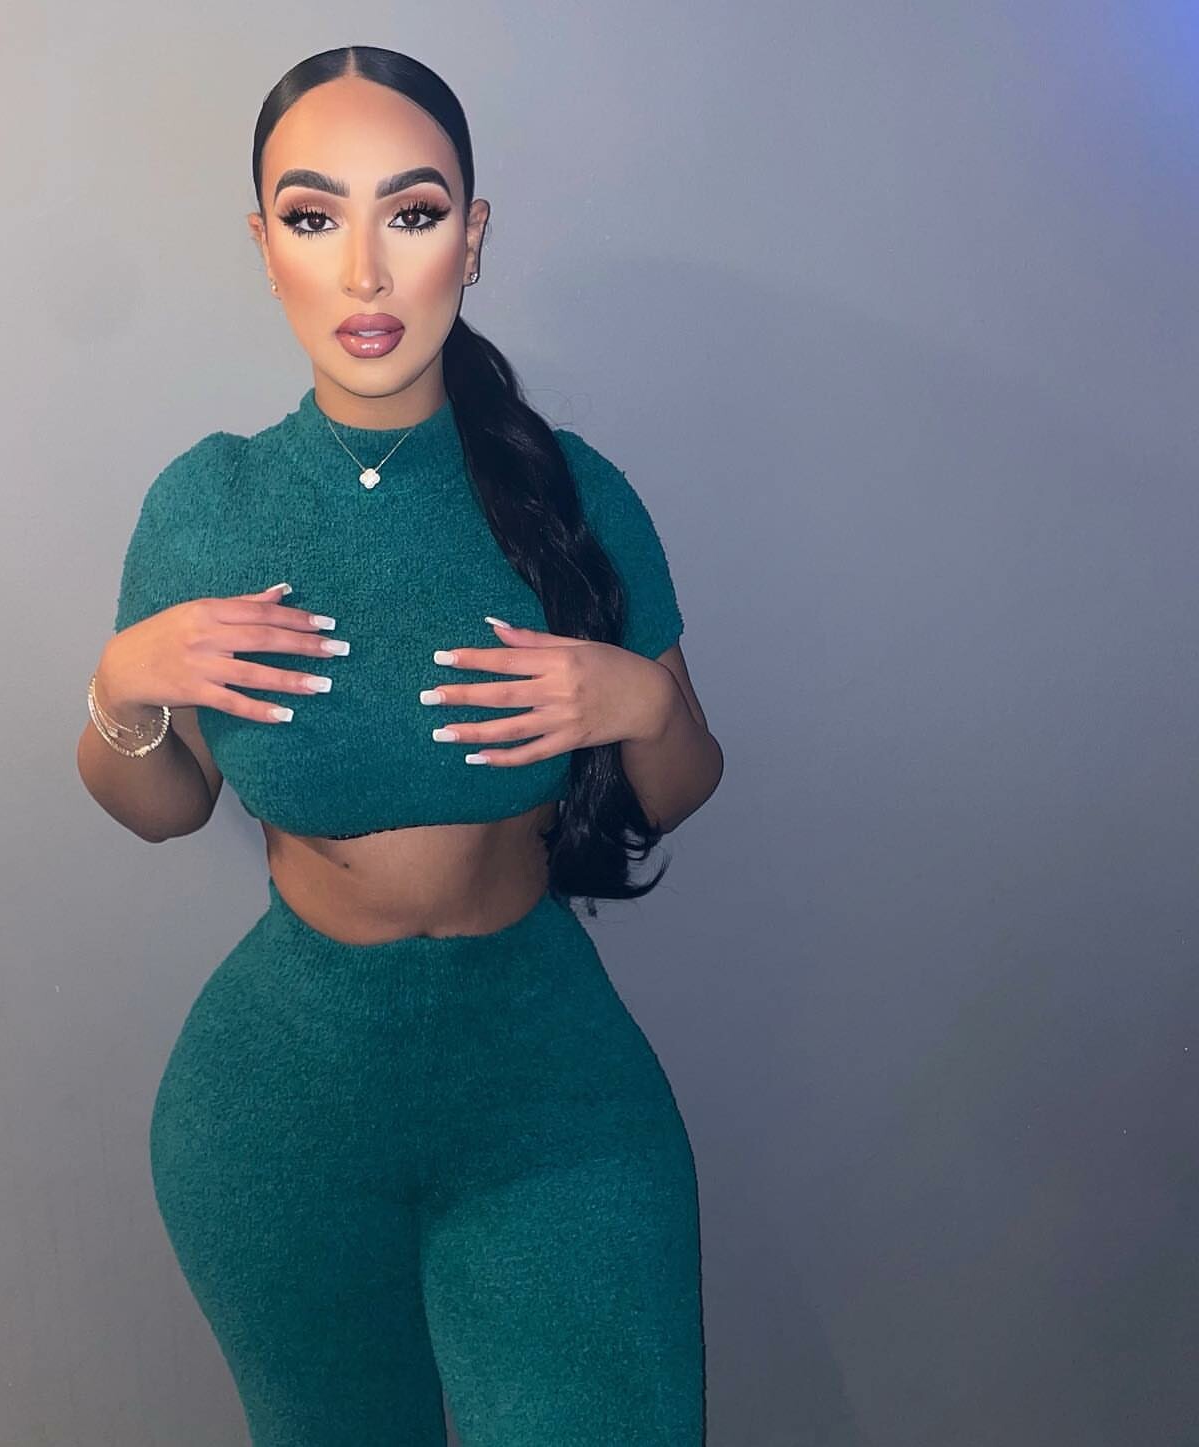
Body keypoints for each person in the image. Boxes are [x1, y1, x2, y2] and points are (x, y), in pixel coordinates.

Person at [76, 43, 725, 1447]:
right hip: (281, 1112)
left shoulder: (572, 490)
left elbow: (680, 789)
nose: (365, 271)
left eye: (412, 213)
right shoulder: (209, 503)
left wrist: (646, 706)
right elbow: (163, 807)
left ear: (470, 238)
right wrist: (123, 688)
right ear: (266, 247)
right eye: (315, 217)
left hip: (548, 1091)